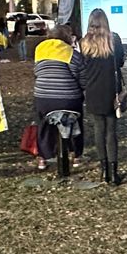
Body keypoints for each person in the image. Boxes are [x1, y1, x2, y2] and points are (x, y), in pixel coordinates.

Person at [80, 8, 125, 185]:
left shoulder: (84, 42)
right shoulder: (114, 39)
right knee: (111, 132)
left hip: (93, 90)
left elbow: (83, 65)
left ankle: (103, 170)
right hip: (111, 90)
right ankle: (113, 173)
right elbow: (120, 62)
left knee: (99, 130)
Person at [33, 25, 86, 173]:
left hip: (43, 98)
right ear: (68, 37)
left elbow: (37, 71)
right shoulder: (72, 54)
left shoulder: (39, 50)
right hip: (69, 99)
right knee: (76, 120)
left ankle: (43, 157)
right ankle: (76, 154)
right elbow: (82, 78)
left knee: (42, 123)